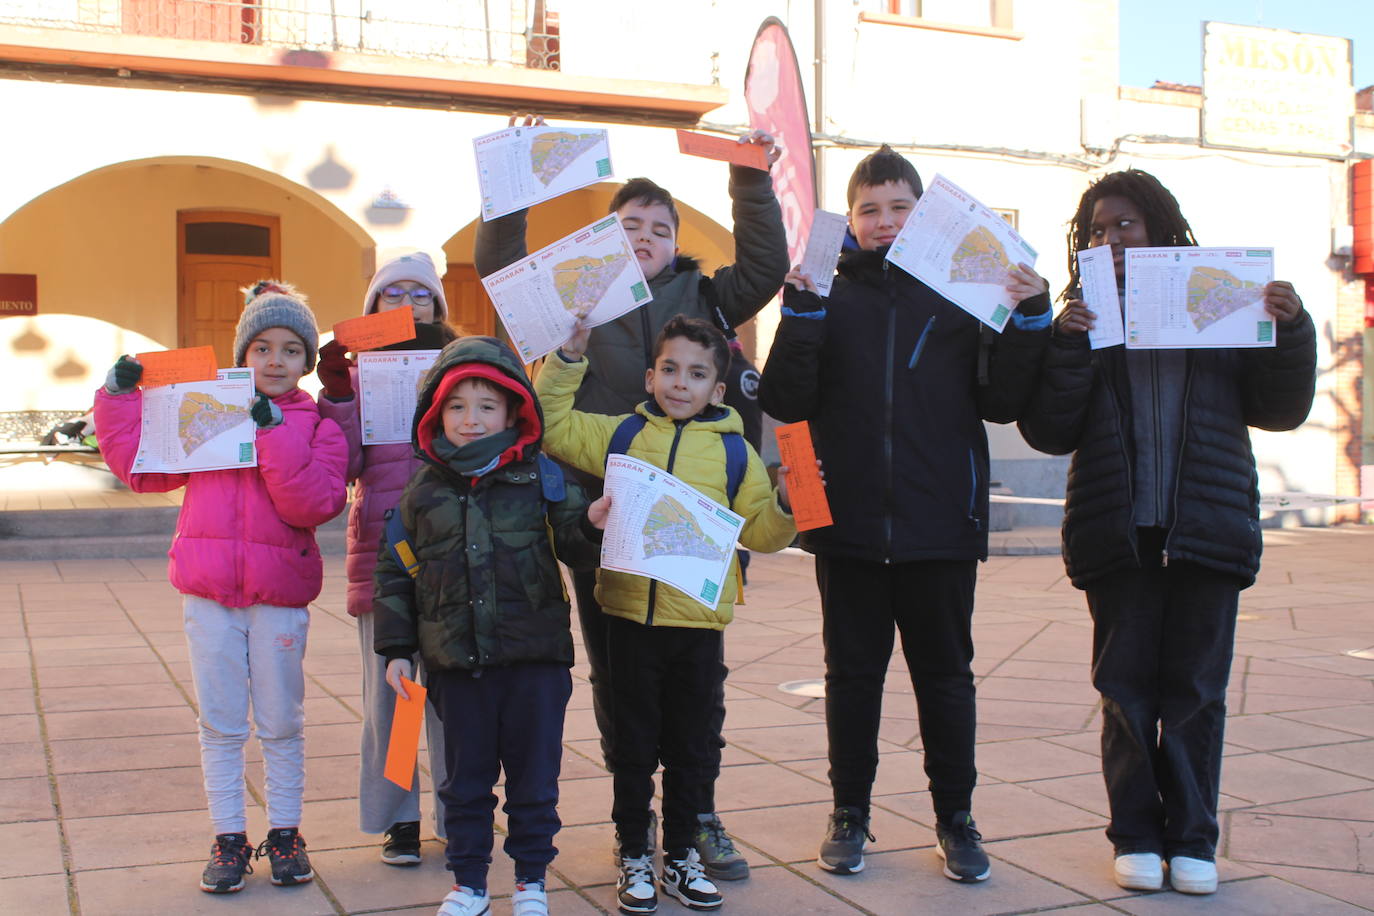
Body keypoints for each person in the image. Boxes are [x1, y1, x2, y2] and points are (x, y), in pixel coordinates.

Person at [476, 126, 787, 880]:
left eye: (659, 227)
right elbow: (500, 267)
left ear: (676, 242)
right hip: (606, 523)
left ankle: (698, 814)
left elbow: (767, 267)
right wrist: (514, 183)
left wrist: (750, 180)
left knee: (697, 679)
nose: (645, 237)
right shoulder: (578, 296)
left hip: (700, 525)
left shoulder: (705, 294)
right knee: (620, 674)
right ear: (606, 239)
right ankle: (634, 819)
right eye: (629, 226)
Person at [758, 145, 1053, 882]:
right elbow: (785, 401)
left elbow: (1002, 401)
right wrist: (800, 311)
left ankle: (956, 820)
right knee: (851, 679)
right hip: (848, 528)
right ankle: (849, 813)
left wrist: (1031, 317)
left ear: (923, 214)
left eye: (900, 207)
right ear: (850, 220)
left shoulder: (961, 291)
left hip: (939, 526)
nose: (885, 221)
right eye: (869, 210)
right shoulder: (828, 291)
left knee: (946, 680)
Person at [1017, 168, 1316, 895]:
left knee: (1195, 694)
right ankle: (1136, 836)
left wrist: (1290, 328)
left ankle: (1193, 840)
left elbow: (1279, 410)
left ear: (1159, 228)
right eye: (1095, 230)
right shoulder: (1082, 320)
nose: (1111, 239)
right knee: (1125, 693)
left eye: (1125, 224)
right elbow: (1050, 430)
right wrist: (1066, 345)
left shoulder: (1216, 301)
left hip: (1205, 528)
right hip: (1118, 532)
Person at [536, 314, 798, 915]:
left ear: (718, 390)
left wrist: (784, 503)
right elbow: (552, 427)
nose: (682, 383)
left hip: (698, 629)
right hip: (627, 618)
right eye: (672, 369)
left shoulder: (736, 454)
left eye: (698, 373)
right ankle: (634, 852)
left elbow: (760, 532)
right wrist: (569, 361)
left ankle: (679, 854)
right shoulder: (622, 434)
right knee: (631, 748)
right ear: (652, 375)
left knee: (690, 749)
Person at [93, 282, 348, 893]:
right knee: (221, 723)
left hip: (279, 599)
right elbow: (142, 468)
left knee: (282, 721)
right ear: (244, 354)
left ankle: (285, 833)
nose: (276, 361)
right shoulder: (205, 411)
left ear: (307, 363)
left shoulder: (321, 428)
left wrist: (272, 431)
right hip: (208, 595)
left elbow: (311, 503)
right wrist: (117, 397)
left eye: (291, 350)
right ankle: (229, 838)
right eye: (262, 347)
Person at [372, 335, 609, 916]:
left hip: (535, 661)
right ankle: (470, 882)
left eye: (485, 406)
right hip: (457, 665)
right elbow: (395, 573)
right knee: (465, 783)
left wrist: (596, 525)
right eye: (456, 406)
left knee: (534, 782)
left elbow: (576, 548)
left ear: (511, 410)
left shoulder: (544, 477)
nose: (470, 419)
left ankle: (530, 879)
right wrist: (397, 650)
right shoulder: (421, 490)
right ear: (436, 414)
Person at [314, 251, 457, 865]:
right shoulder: (355, 376)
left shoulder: (457, 366)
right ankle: (400, 817)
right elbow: (343, 468)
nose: (406, 304)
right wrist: (340, 396)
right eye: (391, 294)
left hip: (454, 550)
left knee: (456, 697)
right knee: (396, 697)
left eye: (419, 294)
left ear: (438, 307)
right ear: (371, 309)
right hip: (383, 550)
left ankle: (460, 810)